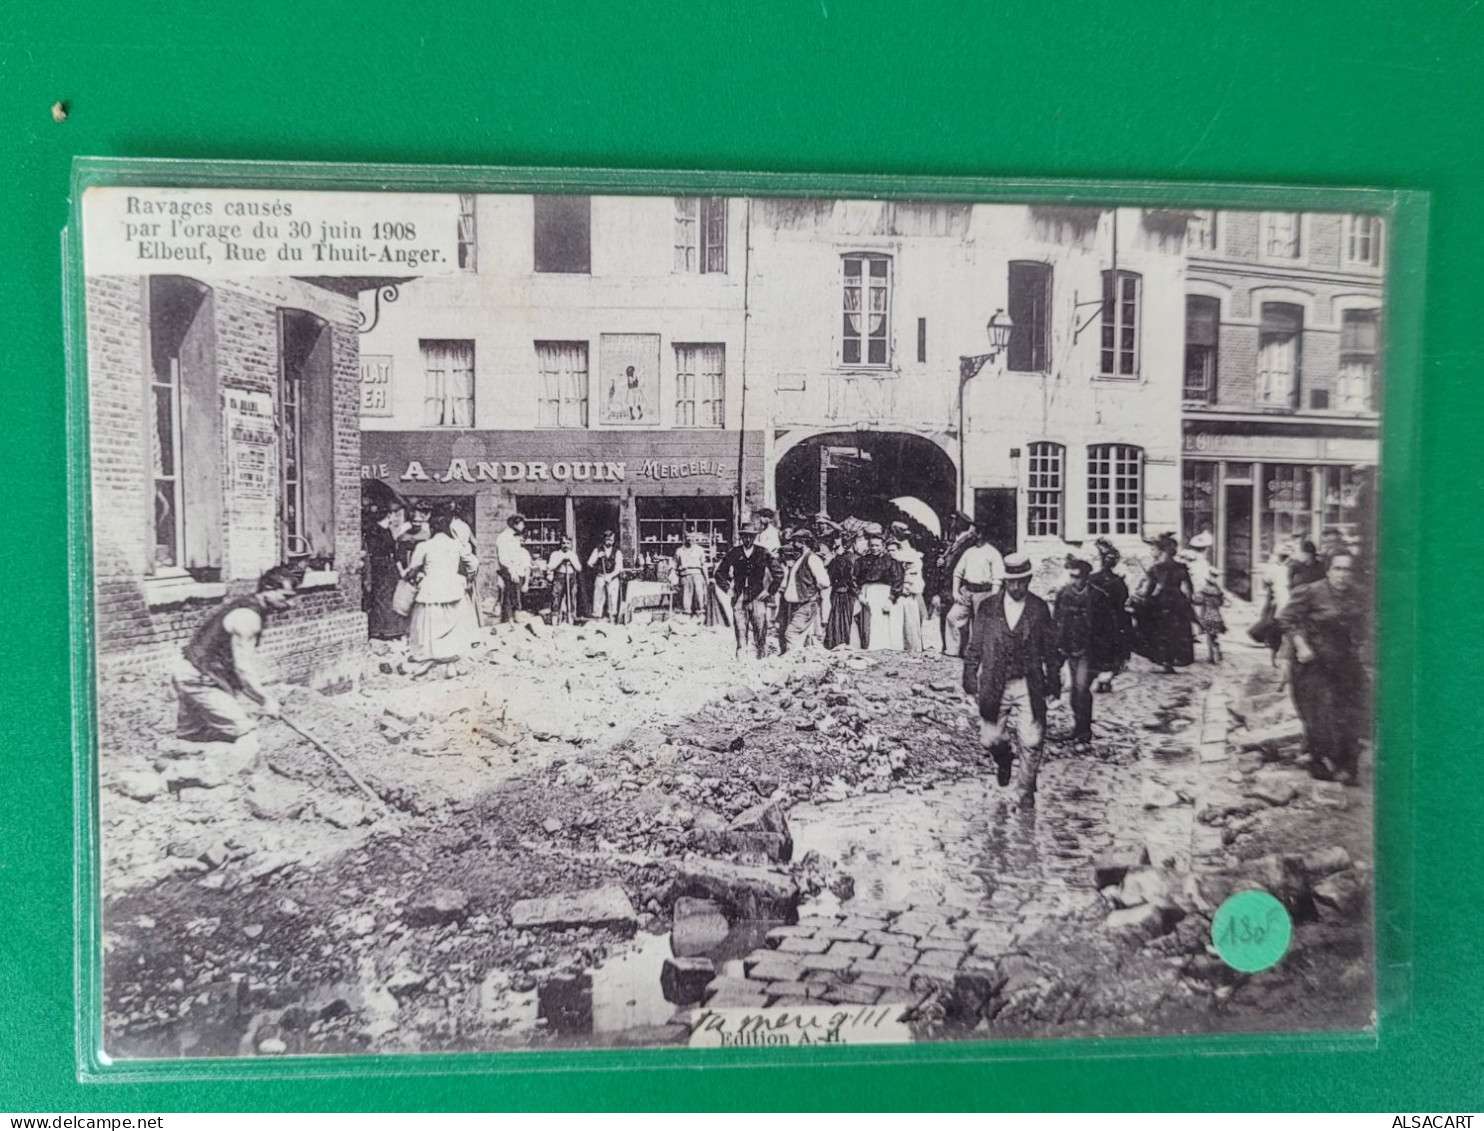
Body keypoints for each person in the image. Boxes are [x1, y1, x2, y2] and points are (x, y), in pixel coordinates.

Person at [171, 565, 299, 768]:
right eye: (286, 596)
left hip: (192, 672)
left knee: (190, 737)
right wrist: (265, 700)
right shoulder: (247, 617)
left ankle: (175, 777)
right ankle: (245, 788)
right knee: (244, 731)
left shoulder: (246, 606)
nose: (291, 604)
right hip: (200, 681)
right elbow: (242, 669)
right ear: (267, 589)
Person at [963, 553, 1062, 806]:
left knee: (1031, 740)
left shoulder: (1039, 608)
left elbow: (1050, 650)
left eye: (1022, 582)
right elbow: (974, 645)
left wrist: (1054, 682)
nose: (1017, 587)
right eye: (1012, 582)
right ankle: (1004, 758)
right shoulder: (988, 607)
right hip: (995, 681)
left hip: (1028, 682)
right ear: (1005, 581)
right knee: (990, 739)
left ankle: (1025, 793)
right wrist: (970, 676)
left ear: (1028, 580)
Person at [1276, 553, 1370, 784]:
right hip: (1313, 661)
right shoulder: (1310, 592)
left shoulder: (1357, 595)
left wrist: (1360, 644)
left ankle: (1347, 764)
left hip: (1344, 661)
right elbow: (1286, 619)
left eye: (1347, 570)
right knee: (1320, 712)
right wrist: (1300, 645)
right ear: (1328, 571)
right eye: (1337, 569)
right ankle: (1319, 760)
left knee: (1352, 709)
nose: (1342, 575)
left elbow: (1365, 624)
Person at [1052, 557, 1122, 752]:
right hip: (1069, 648)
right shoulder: (1063, 594)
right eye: (1071, 576)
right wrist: (1057, 647)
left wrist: (1110, 658)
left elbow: (1109, 627)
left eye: (1078, 577)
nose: (1074, 581)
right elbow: (1056, 621)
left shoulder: (1098, 597)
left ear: (1086, 577)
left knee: (1082, 689)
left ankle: (1084, 732)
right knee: (1075, 690)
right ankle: (1078, 728)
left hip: (1089, 651)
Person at [406, 511, 479, 677]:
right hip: (453, 588)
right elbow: (473, 562)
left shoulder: (424, 546)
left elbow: (413, 568)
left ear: (431, 527)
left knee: (430, 627)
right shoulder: (456, 545)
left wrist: (411, 576)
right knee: (451, 626)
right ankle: (450, 663)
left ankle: (431, 659)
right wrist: (468, 578)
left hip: (431, 590)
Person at [713, 521, 783, 659]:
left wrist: (769, 591)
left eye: (751, 536)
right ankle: (741, 658)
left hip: (757, 596)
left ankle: (761, 658)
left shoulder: (762, 552)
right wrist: (727, 589)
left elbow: (779, 572)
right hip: (739, 596)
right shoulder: (734, 552)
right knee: (740, 627)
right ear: (741, 537)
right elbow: (719, 573)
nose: (748, 539)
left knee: (760, 627)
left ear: (755, 537)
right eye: (745, 536)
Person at [1133, 535, 1196, 673]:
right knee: (1177, 632)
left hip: (1161, 602)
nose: (1152, 552)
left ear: (1162, 551)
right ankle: (1173, 660)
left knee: (1160, 631)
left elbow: (1148, 589)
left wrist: (1139, 596)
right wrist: (1187, 603)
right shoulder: (1182, 567)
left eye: (1154, 549)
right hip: (1178, 601)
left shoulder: (1156, 568)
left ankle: (1165, 660)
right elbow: (1190, 590)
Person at [945, 524, 1004, 657]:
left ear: (981, 534)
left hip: (984, 593)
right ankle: (953, 650)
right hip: (967, 591)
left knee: (981, 624)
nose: (970, 536)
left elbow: (997, 579)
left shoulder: (993, 554)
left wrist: (992, 599)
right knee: (952, 617)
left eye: (973, 533)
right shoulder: (969, 552)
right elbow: (957, 572)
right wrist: (955, 592)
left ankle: (979, 654)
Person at [1088, 538, 1133, 692]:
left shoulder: (1092, 579)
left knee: (1101, 650)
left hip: (1099, 620)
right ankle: (1106, 678)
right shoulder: (1118, 581)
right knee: (1113, 651)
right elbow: (1124, 600)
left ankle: (1101, 677)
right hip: (1114, 621)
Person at [779, 528, 832, 654]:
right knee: (804, 638)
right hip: (798, 605)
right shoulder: (801, 559)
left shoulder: (812, 559)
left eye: (795, 542)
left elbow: (825, 582)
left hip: (807, 604)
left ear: (802, 543)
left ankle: (793, 662)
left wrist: (811, 590)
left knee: (791, 634)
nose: (792, 545)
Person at [853, 525, 905, 651]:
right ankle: (869, 646)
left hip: (884, 593)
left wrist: (891, 598)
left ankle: (885, 647)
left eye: (877, 545)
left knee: (883, 620)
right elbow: (854, 578)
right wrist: (859, 594)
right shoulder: (862, 561)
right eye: (872, 545)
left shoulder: (891, 562)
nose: (874, 548)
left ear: (883, 546)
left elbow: (898, 580)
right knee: (868, 621)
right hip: (868, 592)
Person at [364, 504, 410, 640]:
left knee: (379, 597)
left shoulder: (373, 530)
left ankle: (378, 629)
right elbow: (393, 552)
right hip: (386, 567)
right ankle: (389, 629)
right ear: (388, 515)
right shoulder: (384, 531)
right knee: (387, 597)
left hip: (376, 567)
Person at [887, 523, 926, 653]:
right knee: (900, 620)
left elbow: (897, 557)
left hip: (909, 589)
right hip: (901, 589)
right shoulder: (905, 553)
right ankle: (903, 647)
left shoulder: (910, 554)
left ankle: (913, 648)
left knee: (910, 620)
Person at [824, 529, 861, 650]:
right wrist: (857, 592)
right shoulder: (853, 558)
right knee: (847, 618)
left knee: (838, 618)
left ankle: (836, 642)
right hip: (848, 592)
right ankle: (846, 642)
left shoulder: (837, 559)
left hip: (837, 591)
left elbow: (831, 577)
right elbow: (851, 578)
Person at [494, 514, 532, 624]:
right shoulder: (504, 537)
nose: (523, 526)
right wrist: (512, 571)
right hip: (509, 572)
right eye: (522, 523)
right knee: (509, 599)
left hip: (517, 572)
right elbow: (504, 558)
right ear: (515, 524)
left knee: (516, 599)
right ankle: (507, 623)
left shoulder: (514, 537)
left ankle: (514, 623)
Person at [588, 531, 624, 622]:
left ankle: (612, 617)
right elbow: (589, 563)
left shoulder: (617, 552)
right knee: (598, 597)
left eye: (611, 539)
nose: (609, 541)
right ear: (604, 539)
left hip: (613, 577)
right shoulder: (598, 550)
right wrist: (597, 557)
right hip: (600, 576)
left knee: (613, 597)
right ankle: (598, 617)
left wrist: (610, 576)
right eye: (607, 539)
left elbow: (619, 568)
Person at [546, 535, 582, 625]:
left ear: (570, 544)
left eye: (568, 543)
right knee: (556, 597)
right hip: (559, 577)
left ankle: (570, 619)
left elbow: (579, 568)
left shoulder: (572, 554)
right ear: (560, 544)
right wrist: (561, 560)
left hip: (571, 577)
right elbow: (550, 567)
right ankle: (555, 620)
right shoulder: (555, 554)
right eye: (563, 543)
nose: (565, 545)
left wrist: (571, 561)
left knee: (571, 597)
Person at [674, 529, 710, 618]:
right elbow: (674, 565)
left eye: (692, 537)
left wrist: (707, 579)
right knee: (686, 596)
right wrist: (673, 578)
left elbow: (703, 565)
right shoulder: (679, 551)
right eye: (687, 537)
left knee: (699, 595)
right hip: (685, 575)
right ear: (684, 538)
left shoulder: (700, 550)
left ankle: (700, 613)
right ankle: (687, 613)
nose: (690, 539)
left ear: (695, 538)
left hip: (698, 575)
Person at [1194, 573, 1227, 663]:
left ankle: (1211, 656)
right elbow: (1221, 603)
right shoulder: (1218, 592)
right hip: (1217, 616)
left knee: (1209, 637)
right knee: (1214, 636)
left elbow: (1198, 601)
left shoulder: (1204, 592)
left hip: (1207, 615)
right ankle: (1217, 650)